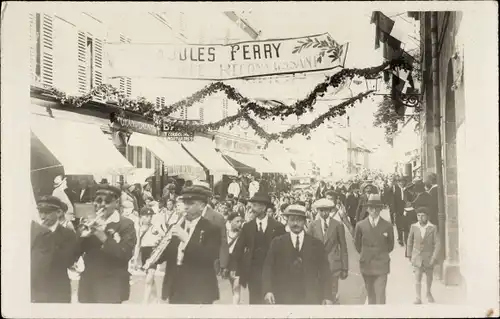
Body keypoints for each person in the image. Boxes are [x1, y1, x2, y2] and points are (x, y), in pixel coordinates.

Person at [157, 186, 221, 304]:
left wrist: (186, 240)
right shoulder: (175, 226)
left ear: (202, 206)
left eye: (191, 203)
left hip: (199, 287)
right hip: (176, 286)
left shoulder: (212, 228)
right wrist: (157, 252)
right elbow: (167, 255)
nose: (186, 206)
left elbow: (209, 257)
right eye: (185, 202)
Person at [77, 185, 137, 303]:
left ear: (116, 203)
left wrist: (102, 236)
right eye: (98, 200)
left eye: (108, 201)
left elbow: (125, 254)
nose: (102, 204)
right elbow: (75, 252)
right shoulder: (87, 221)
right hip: (89, 284)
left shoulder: (126, 224)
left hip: (112, 285)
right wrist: (82, 237)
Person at [263, 204, 333, 305]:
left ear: (304, 221)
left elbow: (325, 270)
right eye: (292, 220)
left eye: (299, 220)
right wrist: (268, 290)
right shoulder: (277, 242)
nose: (295, 223)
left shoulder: (316, 244)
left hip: (310, 297)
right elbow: (268, 267)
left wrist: (327, 296)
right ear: (287, 221)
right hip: (283, 297)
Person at [233, 192, 286, 304]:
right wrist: (235, 268)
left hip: (272, 272)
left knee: (271, 302)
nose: (252, 208)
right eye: (252, 205)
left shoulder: (278, 227)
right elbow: (238, 248)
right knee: (255, 302)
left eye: (255, 205)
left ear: (264, 207)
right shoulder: (248, 227)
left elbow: (283, 251)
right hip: (253, 272)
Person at [31, 196, 79, 303]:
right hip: (37, 288)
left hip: (57, 289)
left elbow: (67, 260)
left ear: (58, 212)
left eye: (47, 212)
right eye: (40, 212)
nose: (42, 217)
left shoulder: (68, 234)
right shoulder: (34, 232)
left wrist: (46, 235)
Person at [354, 194, 395, 305]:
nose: (374, 210)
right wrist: (366, 253)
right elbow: (357, 245)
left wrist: (380, 253)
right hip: (366, 264)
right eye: (371, 208)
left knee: (380, 295)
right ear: (367, 209)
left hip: (381, 264)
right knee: (370, 295)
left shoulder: (387, 226)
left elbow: (390, 245)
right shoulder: (360, 226)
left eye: (377, 208)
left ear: (380, 209)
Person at [307, 199, 348, 304]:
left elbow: (343, 246)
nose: (324, 213)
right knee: (320, 292)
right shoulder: (312, 225)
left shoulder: (338, 225)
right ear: (318, 211)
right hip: (317, 265)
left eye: (326, 210)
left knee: (332, 292)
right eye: (321, 210)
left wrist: (345, 267)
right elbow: (308, 246)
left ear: (330, 210)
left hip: (333, 264)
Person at [406, 207, 441, 304]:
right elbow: (409, 241)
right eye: (418, 215)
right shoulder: (414, 227)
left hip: (429, 257)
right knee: (417, 277)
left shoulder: (433, 228)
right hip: (417, 256)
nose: (420, 218)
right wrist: (409, 255)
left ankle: (428, 292)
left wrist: (434, 257)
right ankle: (418, 297)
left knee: (429, 277)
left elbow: (437, 243)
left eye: (423, 216)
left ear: (427, 217)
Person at [135, 206, 162, 303]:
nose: (149, 218)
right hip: (144, 252)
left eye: (150, 216)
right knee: (150, 278)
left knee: (149, 278)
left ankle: (145, 301)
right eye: (147, 216)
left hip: (152, 253)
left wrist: (158, 242)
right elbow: (138, 245)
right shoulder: (138, 228)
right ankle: (155, 299)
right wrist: (135, 259)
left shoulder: (155, 227)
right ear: (142, 216)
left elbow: (163, 238)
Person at [226, 212, 244, 304]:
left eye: (241, 221)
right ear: (230, 221)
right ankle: (236, 302)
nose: (239, 223)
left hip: (238, 262)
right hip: (228, 261)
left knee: (236, 286)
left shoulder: (242, 234)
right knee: (232, 284)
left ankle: (235, 306)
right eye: (237, 221)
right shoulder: (225, 233)